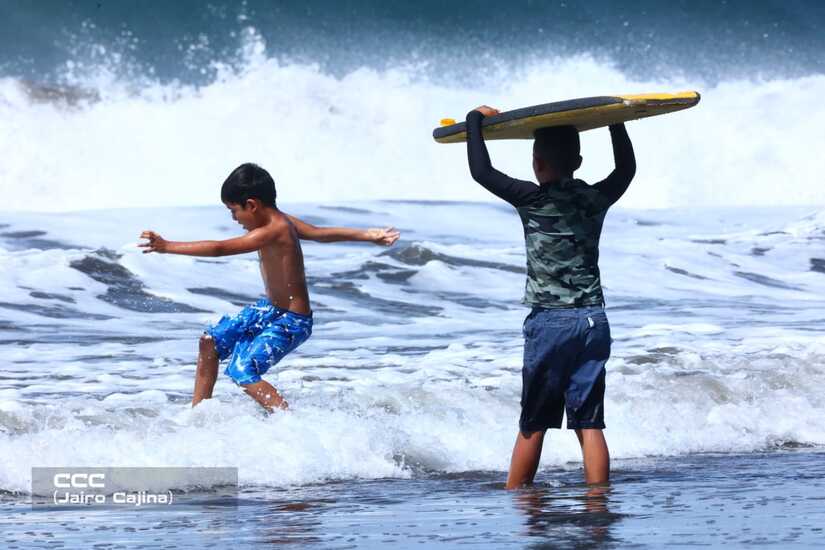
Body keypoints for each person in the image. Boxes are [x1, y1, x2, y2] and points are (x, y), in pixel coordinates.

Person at [464, 106, 636, 489]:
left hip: (551, 323)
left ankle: (517, 498)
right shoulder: (595, 198)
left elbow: (481, 172)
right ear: (577, 161)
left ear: (536, 163)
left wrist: (474, 120)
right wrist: (616, 122)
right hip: (594, 321)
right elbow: (625, 171)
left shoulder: (531, 198)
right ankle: (597, 500)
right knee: (589, 423)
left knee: (534, 422)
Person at [139, 163, 400, 412]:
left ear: (252, 205)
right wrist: (367, 235)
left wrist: (167, 246)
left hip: (292, 320)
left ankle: (288, 421)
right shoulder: (279, 221)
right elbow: (320, 233)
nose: (234, 218)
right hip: (271, 310)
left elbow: (220, 248)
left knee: (243, 370)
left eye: (234, 211)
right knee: (210, 342)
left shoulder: (274, 229)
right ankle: (197, 415)